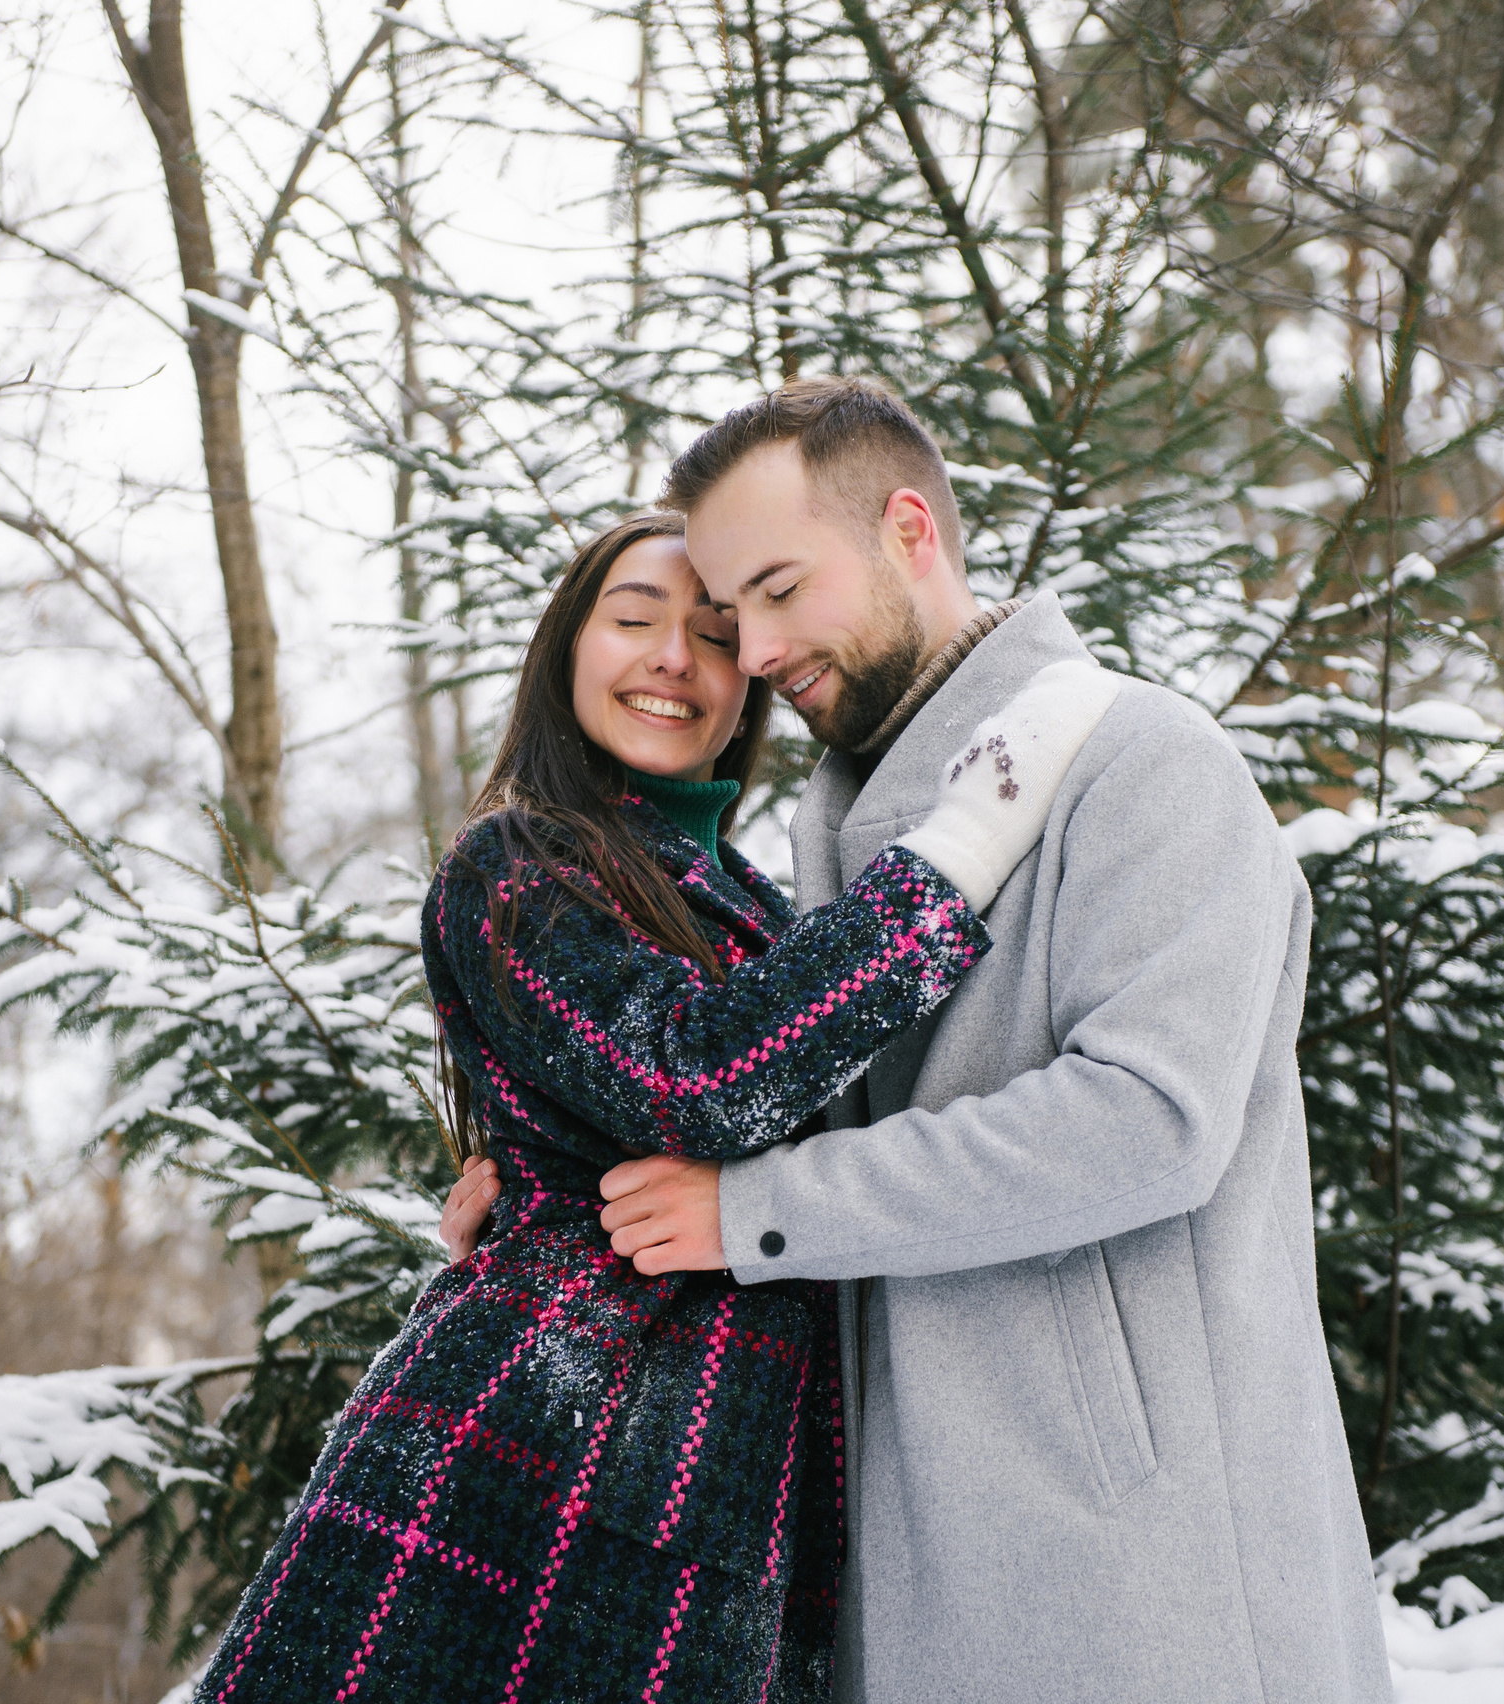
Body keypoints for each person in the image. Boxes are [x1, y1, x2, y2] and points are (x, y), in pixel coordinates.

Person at [453, 378, 1393, 1703]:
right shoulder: (840, 848)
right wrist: (553, 1177)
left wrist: (759, 1209)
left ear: (909, 531)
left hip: (1137, 1565)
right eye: (732, 614)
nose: (753, 650)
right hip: (901, 1559)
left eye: (778, 591)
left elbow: (1149, 1122)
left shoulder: (1142, 761)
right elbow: (724, 1086)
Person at [192, 510, 1117, 1704]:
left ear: (748, 687)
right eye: (633, 620)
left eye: (717, 636)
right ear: (566, 652)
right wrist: (963, 846)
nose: (674, 657)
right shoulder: (514, 862)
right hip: (544, 1439)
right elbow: (695, 1079)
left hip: (720, 1470)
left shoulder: (754, 905)